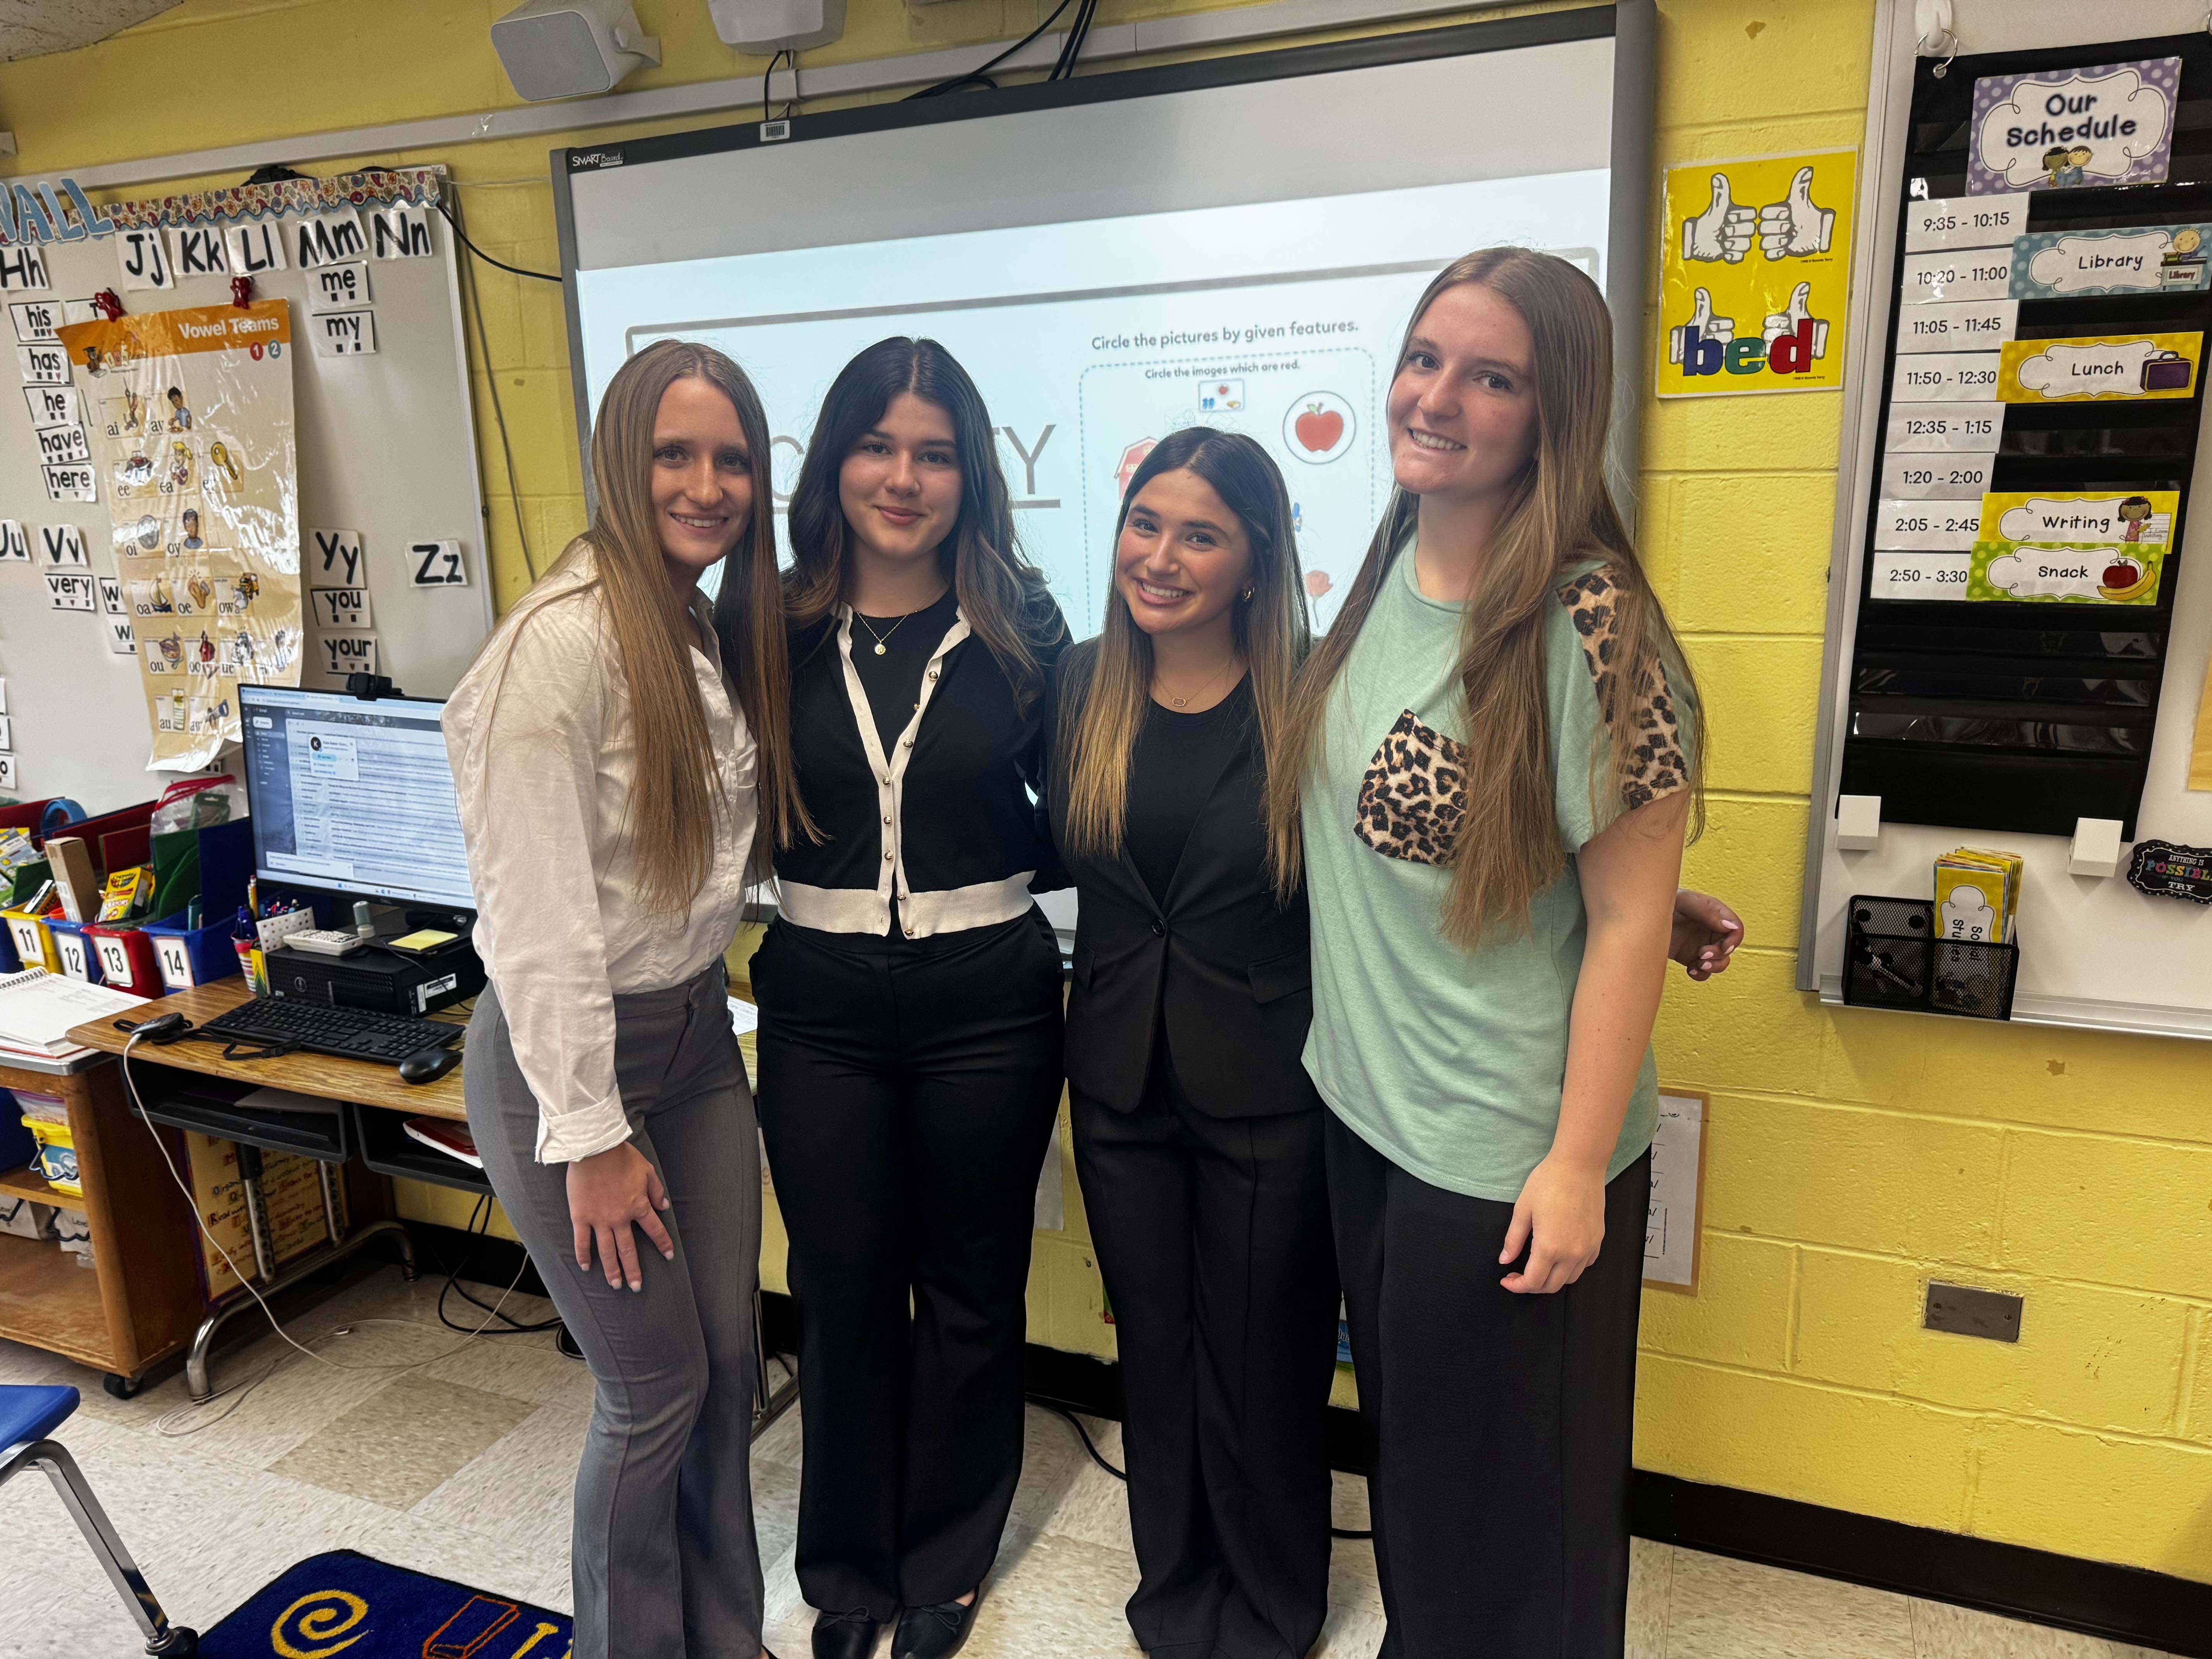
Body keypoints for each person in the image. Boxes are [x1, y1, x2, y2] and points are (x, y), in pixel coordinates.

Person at [1053, 427, 1739, 1659]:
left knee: (1272, 1369)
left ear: (1260, 559)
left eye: (1201, 531)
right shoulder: (1085, 683)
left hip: (1277, 1077)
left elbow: (1413, 829)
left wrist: (1631, 898)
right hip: (1121, 1079)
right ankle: (1175, 1590)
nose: (1161, 555)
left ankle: (1269, 1604)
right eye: (1145, 523)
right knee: (1157, 1353)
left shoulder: (1312, 684)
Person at [1278, 247, 1705, 1657]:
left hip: (1509, 1152)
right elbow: (1421, 814)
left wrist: (1578, 1164)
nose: (1436, 396)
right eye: (1423, 358)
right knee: (1426, 1490)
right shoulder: (1396, 562)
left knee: (1521, 1530)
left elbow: (1633, 914)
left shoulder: (1600, 625)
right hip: (1373, 1115)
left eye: (1492, 376)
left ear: (1553, 411)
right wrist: (1590, 881)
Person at [444, 339, 804, 1659]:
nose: (708, 484)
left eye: (733, 458)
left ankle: (729, 1641)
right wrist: (588, 1135)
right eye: (674, 453)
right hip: (570, 1070)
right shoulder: (560, 649)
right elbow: (533, 928)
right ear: (618, 459)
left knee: (724, 1378)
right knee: (651, 1392)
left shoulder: (698, 617)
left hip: (699, 1043)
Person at [749, 336, 1070, 1659]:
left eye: (935, 452)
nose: (904, 476)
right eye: (879, 445)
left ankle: (945, 1558)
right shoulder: (764, 624)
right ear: (834, 460)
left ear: (969, 474)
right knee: (839, 1286)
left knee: (974, 1287)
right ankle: (846, 1570)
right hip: (819, 996)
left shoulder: (1021, 623)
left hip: (988, 993)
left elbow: (1108, 797)